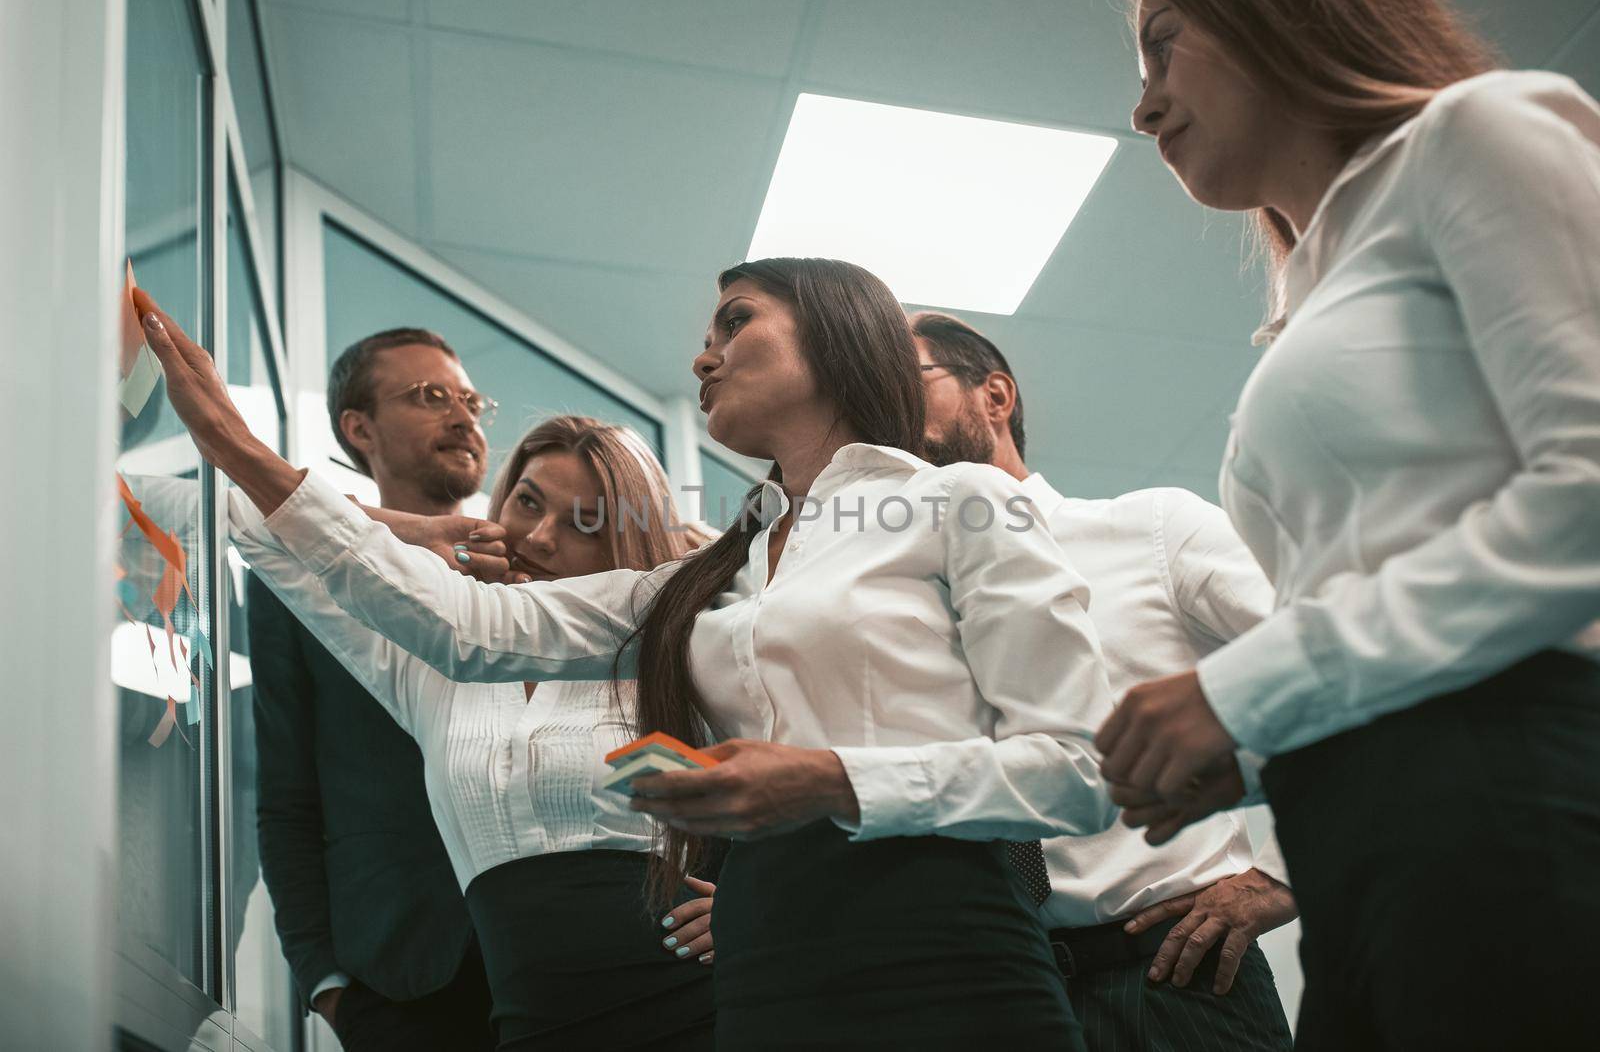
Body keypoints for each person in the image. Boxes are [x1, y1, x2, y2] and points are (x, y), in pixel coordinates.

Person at [132, 257, 1121, 1050]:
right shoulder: (711, 580)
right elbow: (471, 631)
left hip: (941, 954)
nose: (702, 357)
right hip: (763, 977)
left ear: (836, 330)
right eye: (702, 337)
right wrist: (236, 447)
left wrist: (827, 780)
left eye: (735, 321)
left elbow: (1080, 771)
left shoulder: (959, 506)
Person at [1093, 0, 1600, 1048]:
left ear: (1284, 8)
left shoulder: (1483, 131)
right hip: (1364, 835)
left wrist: (1246, 687)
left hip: (1512, 793)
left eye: (1165, 46)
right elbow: (1374, 586)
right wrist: (1257, 741)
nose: (1142, 107)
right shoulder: (1308, 296)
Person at [140, 413, 719, 1048]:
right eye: (529, 502)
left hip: (687, 1004)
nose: (543, 537)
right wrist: (408, 528)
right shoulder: (435, 659)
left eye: (587, 522)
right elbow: (231, 522)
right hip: (525, 1020)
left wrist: (750, 905)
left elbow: (797, 782)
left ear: (625, 543)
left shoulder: (675, 656)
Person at [913, 310, 1295, 1051]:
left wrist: (1283, 876)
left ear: (995, 397)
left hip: (1174, 979)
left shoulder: (1152, 528)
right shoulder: (907, 610)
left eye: (905, 378)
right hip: (995, 994)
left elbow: (1338, 668)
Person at [252, 328, 495, 1050]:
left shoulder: (538, 573)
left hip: (556, 957)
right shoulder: (302, 578)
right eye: (429, 397)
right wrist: (321, 975)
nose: (463, 416)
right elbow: (287, 795)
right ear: (359, 428)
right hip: (400, 975)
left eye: (470, 399)